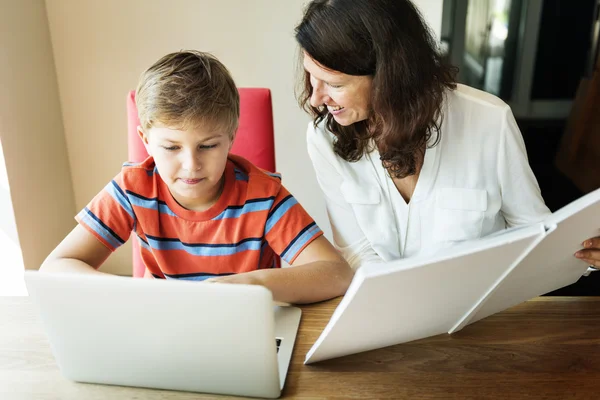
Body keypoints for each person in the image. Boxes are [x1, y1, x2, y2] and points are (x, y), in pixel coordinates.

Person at [295, 0, 600, 270]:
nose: (316, 98)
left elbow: (531, 230)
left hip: (479, 315)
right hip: (389, 313)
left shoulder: (489, 120)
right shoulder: (324, 138)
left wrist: (585, 251)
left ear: (389, 75)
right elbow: (357, 252)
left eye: (334, 84)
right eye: (311, 75)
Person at [40, 50, 353, 304]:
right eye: (171, 147)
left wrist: (247, 285)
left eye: (208, 146)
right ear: (146, 140)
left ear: (231, 138)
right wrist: (136, 294)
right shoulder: (132, 189)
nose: (191, 165)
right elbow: (56, 267)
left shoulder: (263, 196)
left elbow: (336, 273)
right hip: (161, 332)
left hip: (243, 330)